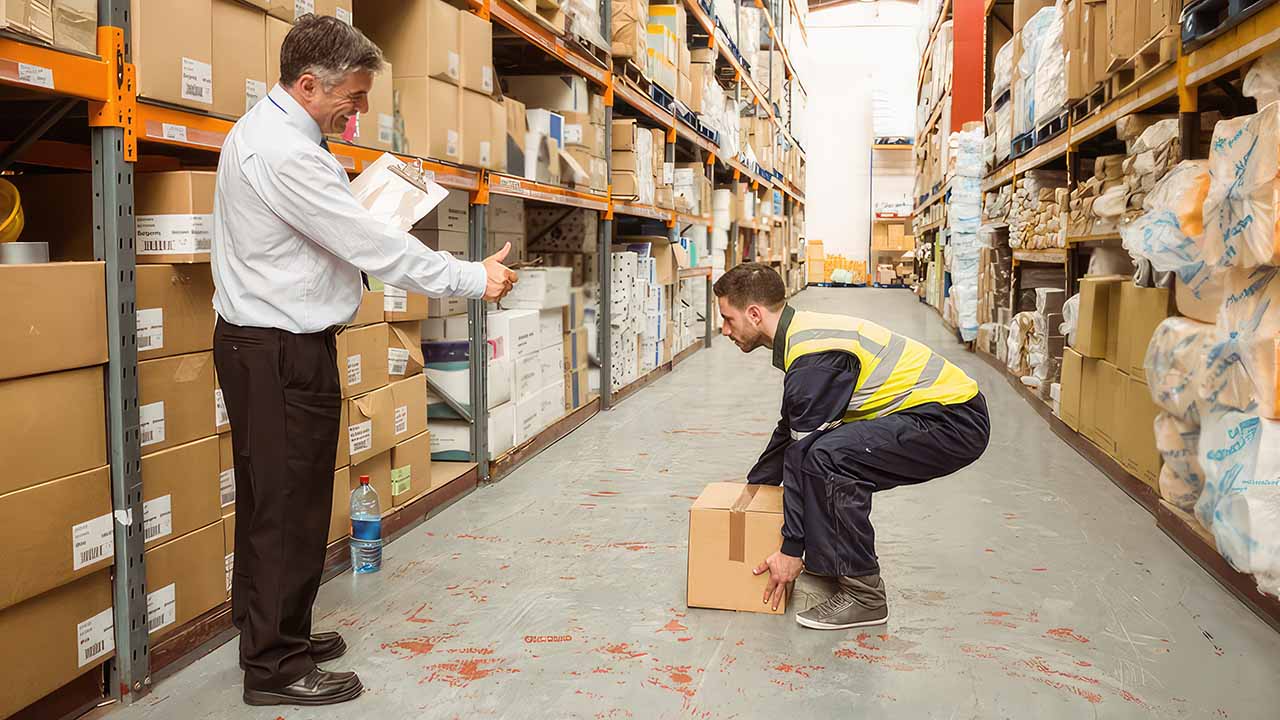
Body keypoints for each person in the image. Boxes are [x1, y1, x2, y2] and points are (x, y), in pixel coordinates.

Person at [211, 15, 516, 707]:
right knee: (291, 507)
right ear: (310, 83)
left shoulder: (273, 133)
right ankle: (276, 668)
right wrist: (471, 278)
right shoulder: (286, 153)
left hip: (261, 345)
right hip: (280, 351)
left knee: (270, 499)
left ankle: (269, 631)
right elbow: (371, 246)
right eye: (353, 93)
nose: (363, 109)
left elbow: (332, 234)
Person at [713, 263, 990, 630]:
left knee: (828, 458)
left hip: (952, 420)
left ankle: (865, 596)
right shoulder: (802, 336)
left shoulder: (813, 356)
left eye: (728, 319)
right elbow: (790, 430)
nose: (723, 329)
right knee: (820, 451)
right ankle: (833, 565)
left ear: (754, 314)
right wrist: (753, 490)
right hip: (936, 413)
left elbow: (800, 453)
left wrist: (791, 549)